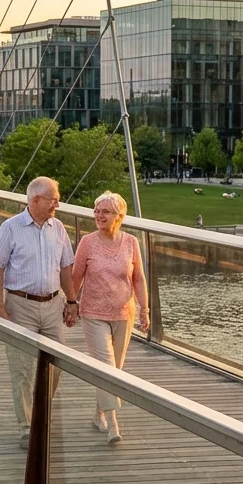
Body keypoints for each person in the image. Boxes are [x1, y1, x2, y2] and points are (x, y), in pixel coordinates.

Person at [0, 176, 76, 450]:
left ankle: (41, 416)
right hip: (20, 305)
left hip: (53, 305)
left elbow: (65, 268)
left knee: (58, 362)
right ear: (35, 200)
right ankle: (27, 428)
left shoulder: (58, 228)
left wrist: (72, 301)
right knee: (22, 370)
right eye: (53, 199)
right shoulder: (11, 228)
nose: (57, 204)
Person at [69, 191, 148, 446]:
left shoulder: (131, 242)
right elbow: (76, 276)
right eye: (97, 211)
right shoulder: (87, 243)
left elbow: (138, 279)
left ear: (119, 216)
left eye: (105, 212)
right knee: (105, 366)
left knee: (114, 370)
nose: (99, 215)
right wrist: (70, 303)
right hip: (93, 314)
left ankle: (98, 413)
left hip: (124, 313)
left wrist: (145, 310)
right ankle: (113, 424)